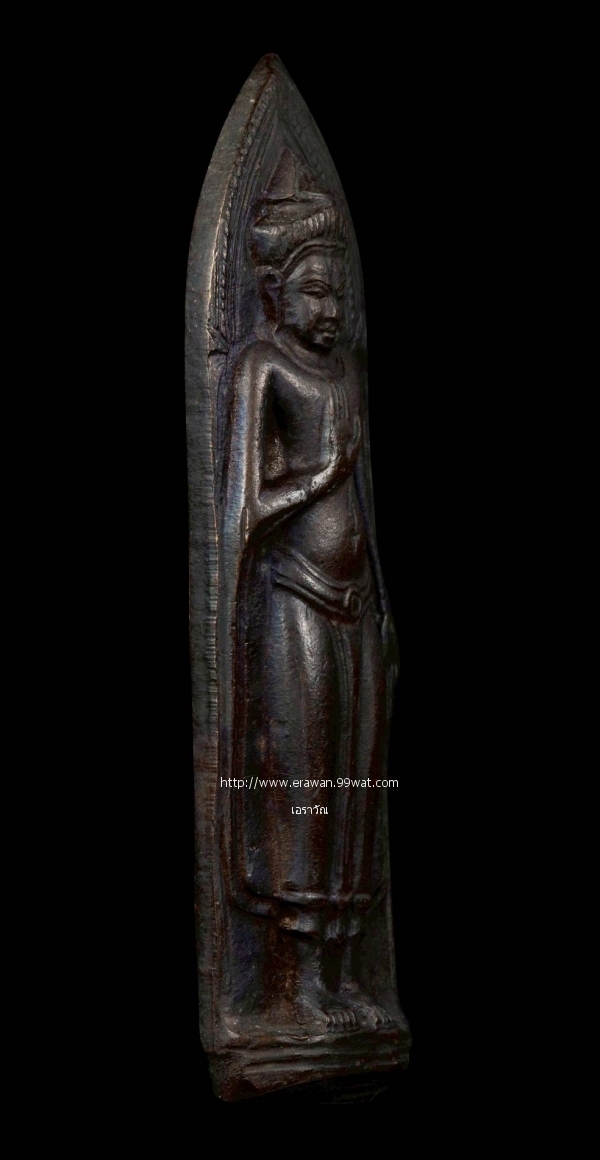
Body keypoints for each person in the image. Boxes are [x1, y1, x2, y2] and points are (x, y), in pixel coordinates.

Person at [220, 152, 398, 1030]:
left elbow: (366, 506)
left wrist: (386, 608)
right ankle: (296, 985)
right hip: (293, 597)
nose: (328, 310)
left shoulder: (348, 373)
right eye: (313, 293)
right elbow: (242, 513)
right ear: (273, 294)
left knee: (356, 791)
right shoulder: (262, 367)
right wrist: (319, 475)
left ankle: (341, 972)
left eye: (338, 294)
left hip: (355, 608)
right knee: (306, 785)